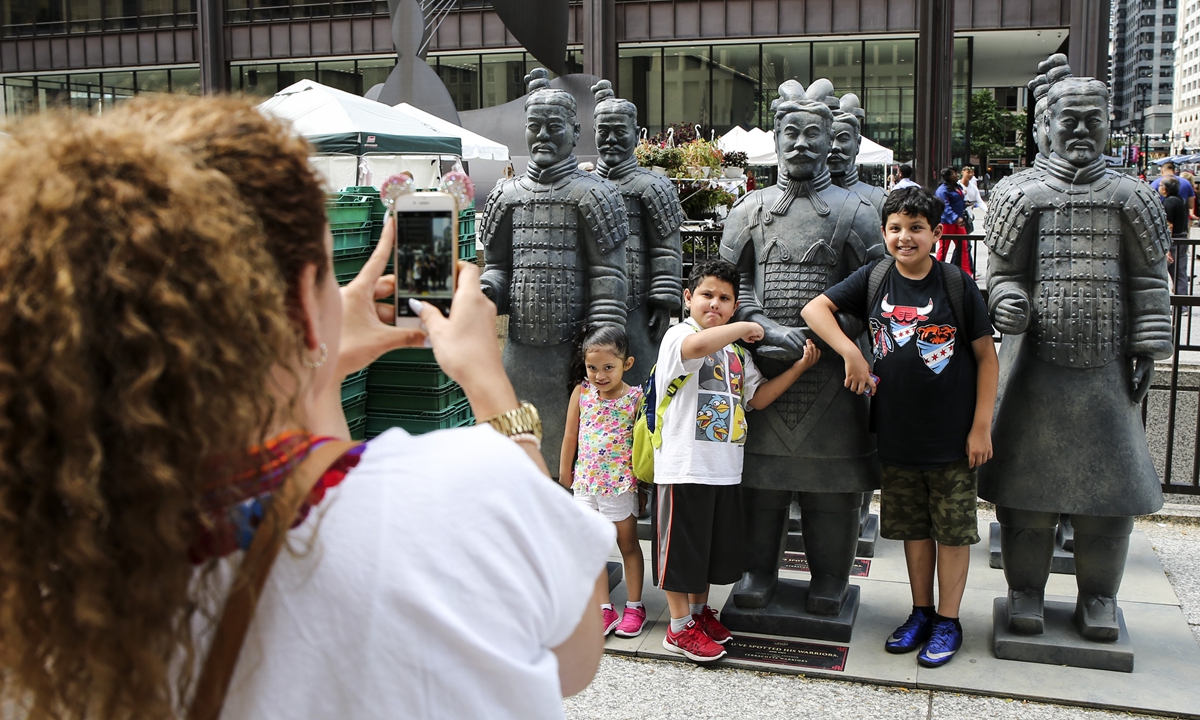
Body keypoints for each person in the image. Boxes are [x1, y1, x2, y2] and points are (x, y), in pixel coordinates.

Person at [0, 97, 615, 720]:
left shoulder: (46, 574)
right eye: (326, 271)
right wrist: (492, 391)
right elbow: (577, 645)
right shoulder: (462, 492)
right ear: (301, 295)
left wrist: (315, 373)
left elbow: (311, 488)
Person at [801, 187, 999, 668]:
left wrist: (980, 427)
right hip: (896, 432)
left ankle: (948, 620)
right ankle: (921, 611)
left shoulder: (956, 284)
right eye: (895, 228)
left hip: (951, 436)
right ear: (884, 232)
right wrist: (851, 350)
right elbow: (814, 310)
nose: (904, 237)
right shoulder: (874, 279)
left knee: (952, 533)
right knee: (913, 530)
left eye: (916, 228)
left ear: (934, 233)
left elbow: (986, 357)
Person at [654, 258, 822, 663]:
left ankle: (698, 614)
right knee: (681, 551)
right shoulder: (680, 335)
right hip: (685, 466)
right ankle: (678, 629)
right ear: (688, 297)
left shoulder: (734, 354)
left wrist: (800, 367)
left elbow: (757, 398)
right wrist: (746, 327)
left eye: (725, 299)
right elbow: (695, 349)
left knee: (708, 551)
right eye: (707, 295)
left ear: (733, 304)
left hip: (724, 469)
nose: (715, 304)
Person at [560, 325, 647, 638]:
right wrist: (565, 472)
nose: (599, 375)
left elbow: (642, 443)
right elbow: (571, 433)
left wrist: (644, 487)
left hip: (620, 485)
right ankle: (603, 607)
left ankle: (635, 606)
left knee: (627, 544)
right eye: (592, 367)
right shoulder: (582, 392)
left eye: (608, 367)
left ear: (627, 363)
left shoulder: (635, 398)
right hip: (585, 483)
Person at [934, 166, 972, 276]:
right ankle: (938, 271)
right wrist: (955, 217)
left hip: (958, 222)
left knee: (963, 246)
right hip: (947, 222)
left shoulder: (957, 186)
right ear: (948, 176)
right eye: (953, 173)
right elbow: (945, 206)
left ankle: (966, 272)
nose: (956, 175)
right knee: (944, 247)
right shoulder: (942, 190)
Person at [1159, 176, 1190, 294]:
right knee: (1180, 272)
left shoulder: (1168, 202)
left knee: (1161, 272)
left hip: (1173, 241)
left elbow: (1169, 225)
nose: (1159, 187)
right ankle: (1182, 305)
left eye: (1161, 185)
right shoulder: (1180, 200)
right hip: (1182, 238)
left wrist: (1166, 246)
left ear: (1165, 189)